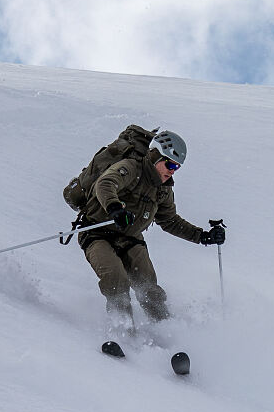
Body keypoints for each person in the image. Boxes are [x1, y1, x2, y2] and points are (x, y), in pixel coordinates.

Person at [78, 129, 225, 325]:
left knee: (147, 285)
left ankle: (165, 328)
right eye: (170, 164)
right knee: (116, 278)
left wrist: (202, 236)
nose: (172, 171)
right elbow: (106, 183)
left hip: (131, 238)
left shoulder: (163, 189)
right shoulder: (131, 168)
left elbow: (170, 220)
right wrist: (115, 208)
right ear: (155, 156)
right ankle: (122, 327)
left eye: (177, 167)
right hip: (97, 233)